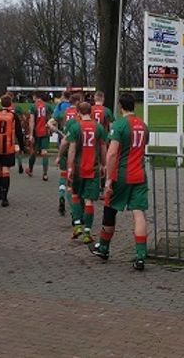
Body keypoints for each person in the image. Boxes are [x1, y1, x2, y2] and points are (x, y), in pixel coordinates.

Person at [90, 92, 149, 270]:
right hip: (140, 173)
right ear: (134, 106)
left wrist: (108, 179)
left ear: (120, 107)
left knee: (109, 209)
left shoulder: (119, 125)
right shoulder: (144, 126)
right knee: (138, 213)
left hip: (122, 174)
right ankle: (140, 256)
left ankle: (104, 247)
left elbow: (113, 152)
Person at [64, 101, 105, 244]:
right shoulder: (98, 127)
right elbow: (102, 148)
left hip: (78, 168)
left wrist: (69, 168)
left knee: (75, 195)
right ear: (91, 112)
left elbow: (72, 150)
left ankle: (77, 225)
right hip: (93, 169)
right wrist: (104, 165)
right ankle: (87, 232)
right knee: (89, 201)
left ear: (78, 113)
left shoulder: (75, 127)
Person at [0, 94, 25, 206]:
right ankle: (5, 197)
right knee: (6, 170)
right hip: (8, 147)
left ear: (0, 103)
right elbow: (19, 133)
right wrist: (22, 146)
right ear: (10, 104)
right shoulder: (13, 116)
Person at [53, 92, 82, 218]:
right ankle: (74, 211)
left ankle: (61, 196)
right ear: (78, 101)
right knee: (73, 182)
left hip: (64, 147)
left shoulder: (63, 113)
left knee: (63, 175)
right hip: (76, 149)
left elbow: (50, 122)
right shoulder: (80, 114)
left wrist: (58, 131)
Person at [27, 92, 52, 182]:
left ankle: (30, 170)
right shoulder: (48, 106)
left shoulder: (33, 106)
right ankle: (45, 174)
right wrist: (50, 129)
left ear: (35, 97)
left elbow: (32, 121)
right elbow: (51, 119)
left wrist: (30, 134)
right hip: (45, 132)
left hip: (36, 132)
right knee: (44, 152)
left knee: (33, 152)